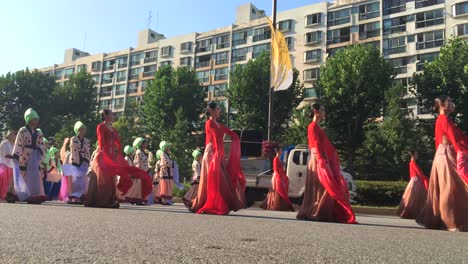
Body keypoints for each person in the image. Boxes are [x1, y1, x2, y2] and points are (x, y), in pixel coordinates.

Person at [296, 103, 356, 224]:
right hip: (318, 160)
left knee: (323, 188)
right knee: (324, 187)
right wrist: (323, 161)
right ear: (316, 111)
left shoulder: (317, 127)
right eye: (323, 110)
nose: (324, 113)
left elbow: (323, 146)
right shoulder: (312, 126)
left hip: (320, 159)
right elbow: (316, 145)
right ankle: (315, 211)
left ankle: (317, 211)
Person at [416, 96, 468, 231]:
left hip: (444, 154)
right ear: (442, 105)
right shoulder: (444, 119)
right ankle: (451, 221)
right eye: (449, 101)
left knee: (451, 189)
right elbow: (454, 138)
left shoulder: (444, 119)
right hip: (446, 155)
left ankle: (451, 221)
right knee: (451, 189)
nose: (452, 103)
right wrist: (461, 153)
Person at [85, 109, 152, 208]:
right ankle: (102, 201)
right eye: (111, 114)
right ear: (106, 115)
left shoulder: (113, 129)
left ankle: (110, 200)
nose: (113, 115)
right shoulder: (101, 127)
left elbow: (118, 143)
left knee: (112, 178)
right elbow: (101, 142)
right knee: (104, 179)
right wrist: (106, 154)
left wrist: (116, 152)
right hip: (103, 156)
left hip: (112, 156)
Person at [189, 102, 246, 215]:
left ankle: (221, 203)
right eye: (218, 108)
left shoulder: (219, 124)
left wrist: (235, 137)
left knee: (221, 180)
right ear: (211, 110)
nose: (220, 110)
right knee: (216, 180)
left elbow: (228, 132)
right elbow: (214, 137)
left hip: (218, 154)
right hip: (211, 154)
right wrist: (217, 152)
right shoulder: (209, 123)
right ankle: (212, 204)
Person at [12, 108, 47, 204]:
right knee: (23, 172)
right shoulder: (23, 130)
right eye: (35, 119)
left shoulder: (39, 132)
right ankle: (18, 193)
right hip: (25, 155)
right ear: (29, 119)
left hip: (35, 155)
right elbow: (18, 143)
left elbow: (41, 144)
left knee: (36, 174)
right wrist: (16, 155)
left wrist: (40, 151)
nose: (37, 121)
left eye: (37, 119)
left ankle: (37, 194)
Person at [61, 122, 91, 204]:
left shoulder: (86, 140)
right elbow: (74, 150)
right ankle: (73, 195)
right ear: (78, 130)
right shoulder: (73, 139)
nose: (84, 130)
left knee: (83, 179)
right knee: (74, 179)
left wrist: (86, 160)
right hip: (75, 160)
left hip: (83, 161)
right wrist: (76, 162)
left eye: (84, 128)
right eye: (82, 128)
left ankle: (81, 195)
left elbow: (87, 151)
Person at [397, 150, 429, 219]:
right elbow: (419, 172)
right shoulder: (413, 163)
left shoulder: (413, 162)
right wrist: (426, 178)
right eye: (416, 154)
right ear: (413, 155)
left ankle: (413, 213)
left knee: (414, 198)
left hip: (416, 180)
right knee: (415, 198)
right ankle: (410, 213)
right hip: (416, 181)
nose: (417, 155)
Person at [261, 147, 294, 211]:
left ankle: (278, 205)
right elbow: (276, 169)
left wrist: (284, 176)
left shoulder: (278, 159)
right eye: (281, 151)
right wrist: (281, 176)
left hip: (279, 177)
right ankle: (276, 205)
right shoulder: (275, 159)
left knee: (280, 191)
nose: (282, 152)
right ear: (278, 152)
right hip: (277, 177)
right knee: (279, 191)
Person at [126, 137, 150, 205]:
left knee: (140, 186)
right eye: (144, 143)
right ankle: (136, 199)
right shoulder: (139, 152)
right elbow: (140, 163)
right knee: (138, 186)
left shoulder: (142, 152)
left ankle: (138, 199)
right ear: (141, 144)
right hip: (140, 171)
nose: (146, 144)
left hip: (142, 171)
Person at [0, 131, 16, 201]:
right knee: (3, 180)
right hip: (4, 164)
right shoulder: (4, 143)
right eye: (11, 134)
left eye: (14, 134)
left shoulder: (15, 144)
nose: (13, 135)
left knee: (10, 181)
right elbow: (2, 154)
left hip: (12, 165)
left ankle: (7, 195)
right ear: (8, 135)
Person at [159, 141, 174, 205]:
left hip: (168, 171)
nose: (169, 148)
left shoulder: (167, 154)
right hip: (165, 171)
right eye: (168, 147)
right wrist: (172, 164)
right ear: (164, 148)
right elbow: (166, 162)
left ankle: (167, 199)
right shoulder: (163, 154)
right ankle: (164, 199)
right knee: (164, 185)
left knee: (167, 185)